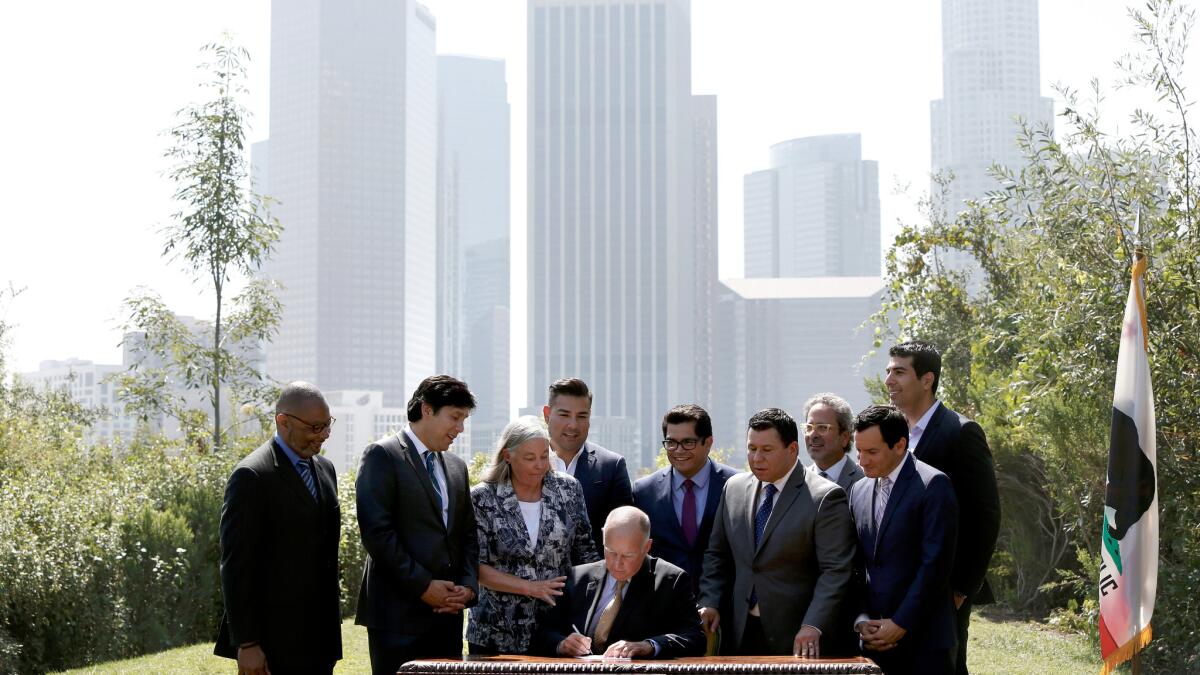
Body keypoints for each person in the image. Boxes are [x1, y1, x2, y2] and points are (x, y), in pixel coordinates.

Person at [698, 408, 856, 657]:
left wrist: (813, 624)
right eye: (752, 449)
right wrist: (709, 601)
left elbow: (835, 571)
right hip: (738, 631)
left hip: (797, 637)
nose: (757, 458)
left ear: (792, 449)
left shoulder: (825, 497)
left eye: (767, 450)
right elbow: (717, 554)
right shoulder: (734, 489)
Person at [885, 341, 1001, 675]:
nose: (890, 380)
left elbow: (985, 516)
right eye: (888, 371)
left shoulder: (961, 433)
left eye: (900, 372)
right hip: (895, 584)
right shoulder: (890, 431)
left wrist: (962, 588)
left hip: (944, 586)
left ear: (927, 379)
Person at [214, 382, 342, 674]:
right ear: (283, 422)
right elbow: (236, 567)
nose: (322, 436)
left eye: (327, 427)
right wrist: (247, 644)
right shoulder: (252, 476)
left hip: (320, 639)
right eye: (314, 428)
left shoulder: (325, 469)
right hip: (273, 643)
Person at [355, 375, 480, 675]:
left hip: (448, 619)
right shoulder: (382, 456)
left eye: (463, 419)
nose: (460, 428)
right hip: (397, 619)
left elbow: (468, 535)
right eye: (455, 417)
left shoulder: (456, 467)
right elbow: (377, 534)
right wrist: (423, 586)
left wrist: (467, 587)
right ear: (426, 409)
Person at [467, 416, 600, 655]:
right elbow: (475, 566)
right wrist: (531, 588)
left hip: (557, 630)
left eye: (544, 456)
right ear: (508, 456)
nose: (540, 465)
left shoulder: (569, 489)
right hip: (495, 632)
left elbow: (586, 555)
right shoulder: (482, 498)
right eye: (530, 458)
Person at [850, 405, 959, 675]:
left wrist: (900, 623)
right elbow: (855, 564)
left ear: (899, 445)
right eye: (859, 451)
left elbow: (934, 566)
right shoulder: (858, 490)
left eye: (872, 452)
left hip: (924, 643)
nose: (862, 461)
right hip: (872, 643)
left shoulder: (933, 485)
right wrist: (862, 620)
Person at [535, 506, 706, 659]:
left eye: (627, 555)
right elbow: (542, 633)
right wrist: (562, 644)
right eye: (610, 552)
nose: (617, 564)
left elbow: (696, 638)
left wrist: (648, 646)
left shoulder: (671, 581)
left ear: (647, 547)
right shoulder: (578, 577)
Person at [633, 404, 740, 592]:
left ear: (708, 443)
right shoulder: (644, 491)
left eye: (688, 442)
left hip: (724, 605)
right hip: (663, 605)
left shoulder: (737, 485)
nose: (678, 450)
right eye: (671, 442)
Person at [543, 377, 633, 551]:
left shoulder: (611, 467)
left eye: (581, 416)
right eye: (564, 415)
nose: (573, 425)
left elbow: (625, 535)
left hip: (592, 575)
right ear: (547, 415)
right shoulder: (525, 463)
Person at [803, 393, 865, 493]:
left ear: (844, 437)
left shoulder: (864, 481)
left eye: (823, 427)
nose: (813, 435)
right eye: (809, 427)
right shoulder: (798, 482)